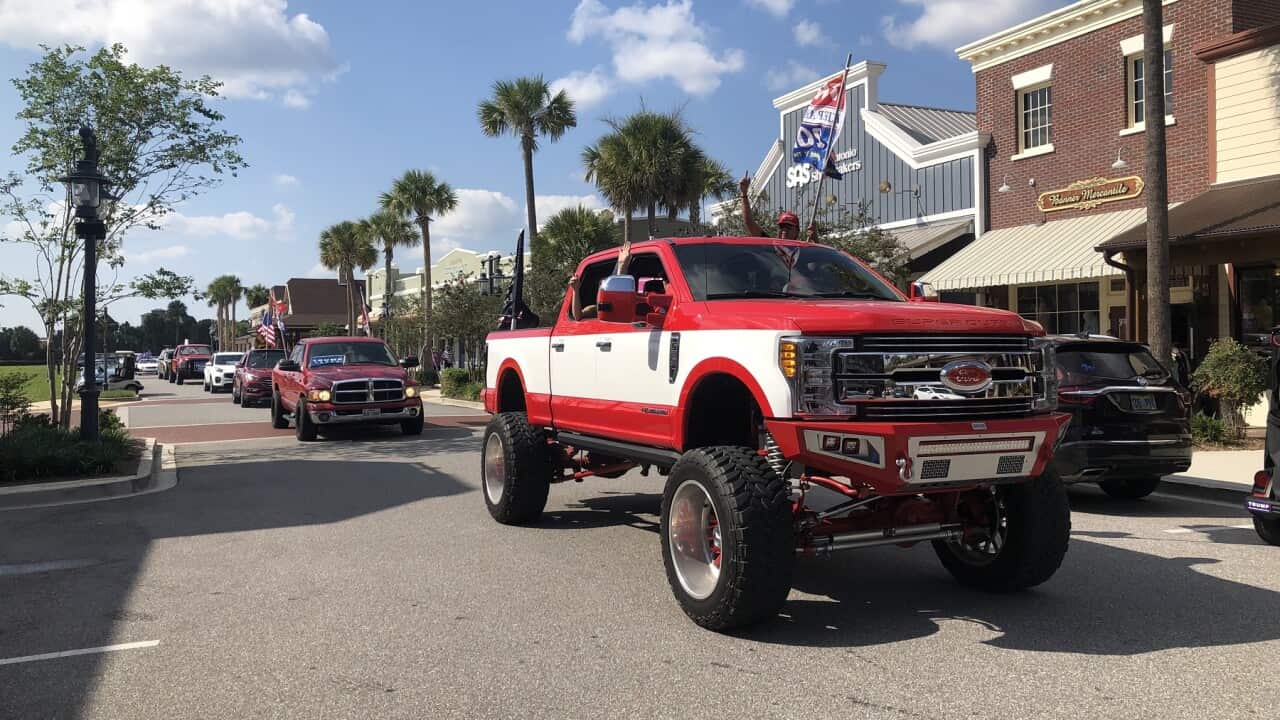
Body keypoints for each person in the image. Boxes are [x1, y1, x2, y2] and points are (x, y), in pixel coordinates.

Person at [739, 173, 819, 242]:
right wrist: (744, 193)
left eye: (788, 227)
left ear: (797, 232)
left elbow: (823, 259)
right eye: (781, 227)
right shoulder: (771, 246)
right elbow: (749, 222)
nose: (784, 230)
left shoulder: (802, 251)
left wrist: (815, 238)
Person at [570, 239, 633, 320]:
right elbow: (577, 316)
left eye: (606, 289)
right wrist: (575, 290)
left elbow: (617, 300)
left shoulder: (624, 307)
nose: (603, 293)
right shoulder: (596, 309)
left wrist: (622, 266)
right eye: (601, 289)